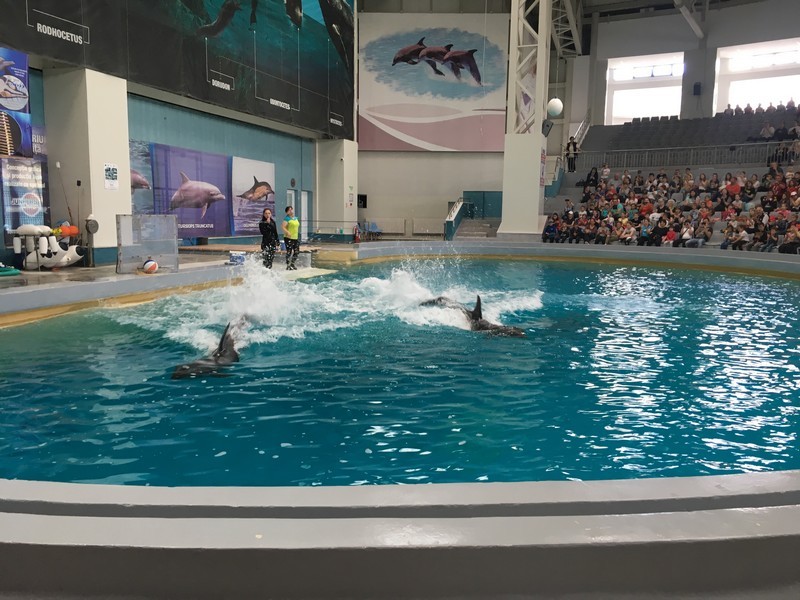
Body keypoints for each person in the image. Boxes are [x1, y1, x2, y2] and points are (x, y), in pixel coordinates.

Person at [282, 205, 300, 270]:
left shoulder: (296, 218)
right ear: (287, 212)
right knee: (289, 251)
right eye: (289, 210)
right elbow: (283, 227)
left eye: (291, 209)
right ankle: (288, 265)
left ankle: (292, 264)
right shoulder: (286, 219)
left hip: (295, 237)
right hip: (288, 238)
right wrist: (287, 232)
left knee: (296, 251)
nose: (291, 211)